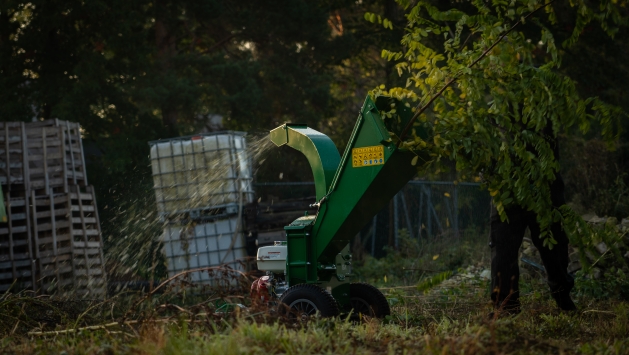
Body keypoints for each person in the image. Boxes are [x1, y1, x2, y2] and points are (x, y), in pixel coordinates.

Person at [488, 126, 577, 315]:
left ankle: (563, 298)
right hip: (507, 186)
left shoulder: (543, 104)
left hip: (544, 183)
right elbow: (485, 141)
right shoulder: (496, 108)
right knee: (503, 247)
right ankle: (505, 307)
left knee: (554, 245)